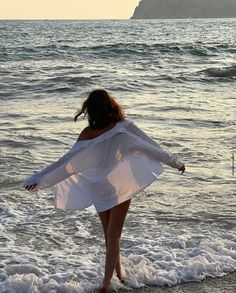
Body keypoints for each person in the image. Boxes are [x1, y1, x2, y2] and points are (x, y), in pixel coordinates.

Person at [24, 89, 185, 292]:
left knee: (109, 235)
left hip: (97, 187)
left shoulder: (87, 133)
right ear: (111, 106)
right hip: (118, 186)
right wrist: (176, 163)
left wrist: (37, 180)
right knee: (114, 235)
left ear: (90, 110)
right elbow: (149, 146)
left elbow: (66, 163)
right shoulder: (123, 127)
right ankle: (107, 282)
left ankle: (119, 275)